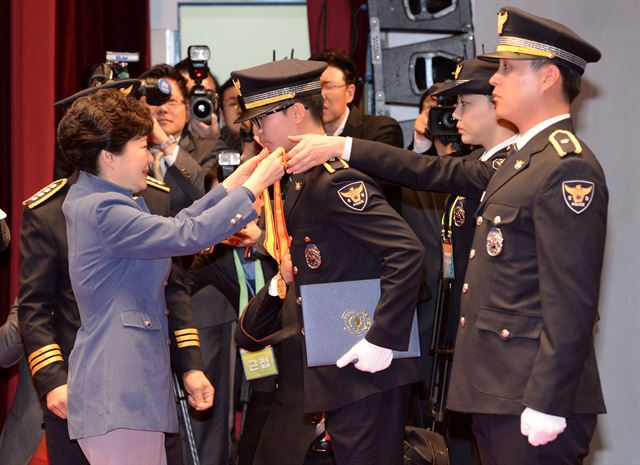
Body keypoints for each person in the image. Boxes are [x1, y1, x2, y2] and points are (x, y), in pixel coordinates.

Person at [285, 7, 607, 464]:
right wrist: (343, 146)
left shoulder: (566, 167)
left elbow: (571, 300)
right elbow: (430, 169)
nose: (495, 81)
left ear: (549, 76)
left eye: (509, 69)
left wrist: (549, 399)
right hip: (496, 390)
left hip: (531, 395)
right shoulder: (519, 161)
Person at [56, 88, 283, 465]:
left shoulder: (101, 201)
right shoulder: (103, 209)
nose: (149, 157)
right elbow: (185, 236)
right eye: (141, 147)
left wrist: (233, 183)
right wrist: (253, 189)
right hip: (120, 389)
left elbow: (178, 225)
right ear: (110, 157)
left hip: (125, 391)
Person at [231, 58, 425, 465]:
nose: (257, 131)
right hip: (340, 364)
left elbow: (406, 252)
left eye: (261, 118)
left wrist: (383, 338)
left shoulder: (334, 179)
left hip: (367, 363)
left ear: (296, 112)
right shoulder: (300, 178)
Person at [310, 49, 404, 211]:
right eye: (314, 88)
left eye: (327, 86)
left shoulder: (381, 130)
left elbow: (371, 189)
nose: (320, 95)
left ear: (350, 92)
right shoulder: (303, 139)